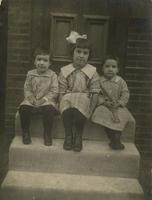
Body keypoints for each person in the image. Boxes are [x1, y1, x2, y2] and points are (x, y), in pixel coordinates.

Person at [58, 31, 99, 152]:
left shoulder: (92, 72)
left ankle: (78, 135)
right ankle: (68, 135)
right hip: (68, 96)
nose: (81, 55)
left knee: (81, 107)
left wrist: (91, 110)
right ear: (72, 53)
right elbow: (61, 91)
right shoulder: (65, 71)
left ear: (89, 56)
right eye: (78, 52)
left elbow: (95, 92)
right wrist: (61, 105)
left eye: (85, 53)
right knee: (66, 105)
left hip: (84, 97)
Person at [91, 55, 135, 150]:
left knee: (121, 116)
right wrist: (104, 102)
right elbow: (96, 94)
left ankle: (117, 139)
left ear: (118, 69)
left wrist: (119, 103)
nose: (110, 69)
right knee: (103, 115)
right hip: (105, 106)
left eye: (113, 67)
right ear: (102, 69)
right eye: (107, 66)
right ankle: (112, 137)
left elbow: (125, 94)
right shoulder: (99, 81)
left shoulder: (120, 81)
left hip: (117, 106)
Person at [19, 48, 58, 146]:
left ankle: (47, 133)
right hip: (32, 99)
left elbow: (54, 91)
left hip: (46, 100)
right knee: (23, 109)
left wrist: (43, 100)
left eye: (45, 60)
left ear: (50, 63)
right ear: (34, 61)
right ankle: (26, 132)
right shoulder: (30, 74)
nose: (41, 63)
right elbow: (27, 88)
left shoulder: (52, 75)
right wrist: (31, 98)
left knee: (50, 110)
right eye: (39, 59)